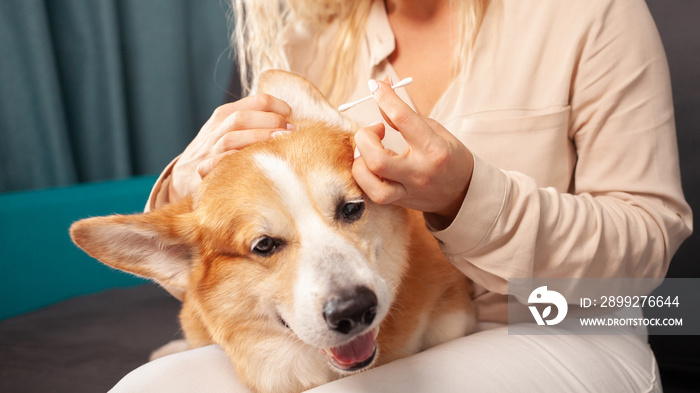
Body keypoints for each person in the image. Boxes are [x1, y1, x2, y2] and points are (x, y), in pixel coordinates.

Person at [117, 0, 692, 391]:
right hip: (364, 335)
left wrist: (466, 197)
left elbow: (648, 252)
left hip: (562, 317)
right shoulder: (304, 41)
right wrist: (185, 187)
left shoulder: (590, 14)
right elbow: (235, 261)